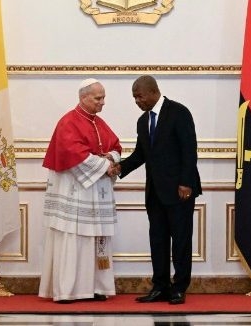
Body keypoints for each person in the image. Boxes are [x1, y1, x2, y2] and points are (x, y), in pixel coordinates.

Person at [118, 75, 201, 305]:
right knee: (158, 240)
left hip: (179, 191)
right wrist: (119, 168)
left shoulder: (179, 112)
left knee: (181, 240)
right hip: (155, 193)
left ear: (153, 92)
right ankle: (160, 286)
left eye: (139, 96)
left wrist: (186, 183)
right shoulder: (142, 121)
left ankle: (179, 287)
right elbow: (141, 154)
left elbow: (189, 150)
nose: (137, 101)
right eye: (134, 98)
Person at [39, 78, 122, 303]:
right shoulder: (68, 122)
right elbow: (73, 153)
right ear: (83, 97)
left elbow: (115, 146)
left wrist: (111, 158)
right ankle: (67, 290)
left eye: (103, 98)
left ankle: (95, 287)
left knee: (96, 238)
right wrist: (105, 165)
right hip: (75, 193)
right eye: (98, 98)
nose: (102, 102)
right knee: (73, 237)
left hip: (96, 192)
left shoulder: (99, 123)